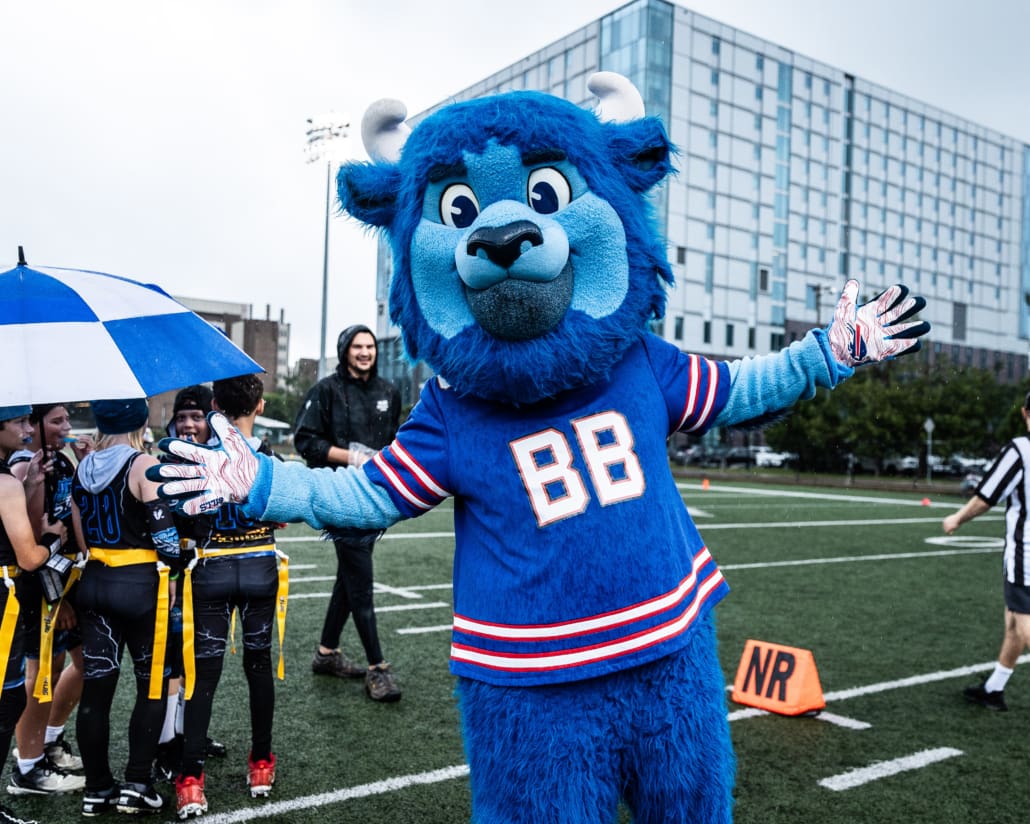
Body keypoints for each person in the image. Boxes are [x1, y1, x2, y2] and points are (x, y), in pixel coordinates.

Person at [171, 376, 286, 819]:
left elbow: (184, 516)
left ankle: (190, 780)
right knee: (257, 666)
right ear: (259, 405)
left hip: (212, 570)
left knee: (203, 676)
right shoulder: (269, 457)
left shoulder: (204, 456)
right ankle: (260, 762)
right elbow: (282, 515)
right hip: (259, 568)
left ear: (215, 405)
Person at [71, 398, 180, 816]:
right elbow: (167, 541)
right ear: (140, 420)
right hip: (139, 588)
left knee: (96, 692)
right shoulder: (142, 466)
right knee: (150, 685)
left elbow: (76, 524)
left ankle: (97, 789)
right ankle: (137, 785)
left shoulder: (83, 466)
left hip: (94, 581)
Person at [294, 325, 402, 702]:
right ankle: (378, 667)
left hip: (374, 497)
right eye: (357, 346)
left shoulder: (389, 391)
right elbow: (305, 442)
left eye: (370, 346)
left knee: (350, 576)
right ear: (344, 351)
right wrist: (352, 457)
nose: (365, 352)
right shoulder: (326, 390)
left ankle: (326, 653)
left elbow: (393, 442)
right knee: (360, 581)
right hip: (340, 495)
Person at [7, 404, 87, 798]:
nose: (67, 427)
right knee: (38, 676)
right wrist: (58, 600)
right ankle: (28, 767)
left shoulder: (62, 462)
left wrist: (87, 464)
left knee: (78, 664)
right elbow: (34, 544)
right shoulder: (22, 468)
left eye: (67, 419)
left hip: (63, 579)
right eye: (56, 421)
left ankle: (47, 743)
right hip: (38, 587)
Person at [943, 389, 1030, 711]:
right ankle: (994, 688)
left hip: (1026, 555)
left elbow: (986, 497)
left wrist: (957, 518)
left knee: (1023, 621)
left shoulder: (1021, 449)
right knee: (1013, 621)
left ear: (1024, 413)